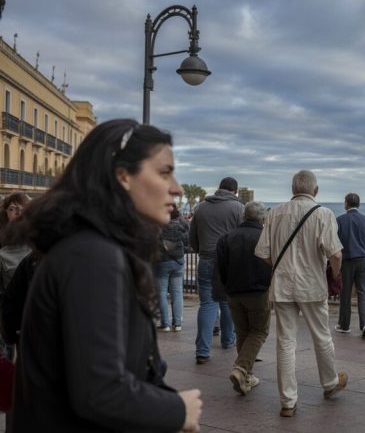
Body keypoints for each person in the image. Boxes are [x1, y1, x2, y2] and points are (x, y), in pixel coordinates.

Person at [10, 119, 202, 431]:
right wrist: (176, 410)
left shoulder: (90, 249)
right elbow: (100, 391)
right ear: (123, 176)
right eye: (164, 172)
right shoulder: (93, 257)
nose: (177, 188)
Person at [255, 169, 347, 417]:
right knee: (321, 336)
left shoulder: (274, 213)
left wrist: (280, 266)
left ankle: (288, 401)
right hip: (312, 285)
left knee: (285, 342)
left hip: (282, 286)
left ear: (293, 190)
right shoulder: (323, 214)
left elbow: (262, 252)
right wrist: (334, 275)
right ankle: (329, 383)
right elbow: (336, 254)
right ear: (315, 191)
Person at [216, 201, 272, 396]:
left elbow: (221, 268)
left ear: (243, 217)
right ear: (263, 218)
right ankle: (241, 369)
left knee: (242, 332)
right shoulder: (265, 237)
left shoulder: (227, 238)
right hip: (258, 292)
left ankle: (246, 377)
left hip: (233, 292)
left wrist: (227, 287)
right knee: (259, 331)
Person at [190, 176, 244, 364]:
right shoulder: (238, 208)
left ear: (219, 188)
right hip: (227, 262)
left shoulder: (200, 208)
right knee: (227, 302)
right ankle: (228, 340)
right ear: (235, 191)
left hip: (205, 260)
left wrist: (202, 251)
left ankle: (203, 351)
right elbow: (242, 237)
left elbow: (192, 238)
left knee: (207, 305)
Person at [335, 192, 365, 338]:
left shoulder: (340, 220)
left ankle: (344, 325)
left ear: (346, 204)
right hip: (363, 259)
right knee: (363, 293)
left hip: (346, 261)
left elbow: (335, 242)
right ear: (358, 204)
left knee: (345, 293)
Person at [155, 203, 189, 332]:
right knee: (177, 292)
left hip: (162, 261)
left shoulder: (158, 224)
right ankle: (177, 323)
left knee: (162, 293)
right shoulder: (183, 224)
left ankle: (165, 323)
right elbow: (187, 242)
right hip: (178, 260)